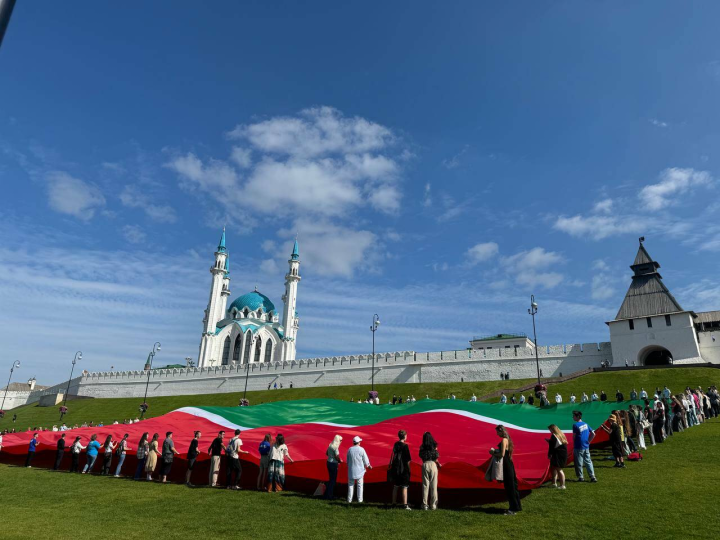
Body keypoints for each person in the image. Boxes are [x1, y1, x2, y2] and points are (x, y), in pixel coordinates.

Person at [491, 425, 521, 515]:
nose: (497, 434)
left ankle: (512, 509)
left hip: (506, 465)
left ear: (501, 432)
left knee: (510, 487)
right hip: (509, 464)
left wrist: (493, 453)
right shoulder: (508, 440)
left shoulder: (504, 440)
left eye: (497, 432)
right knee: (512, 487)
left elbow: (502, 454)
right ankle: (515, 507)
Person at [388, 430, 412, 510]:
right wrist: (409, 469)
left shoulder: (395, 444)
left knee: (395, 486)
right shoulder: (405, 446)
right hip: (403, 468)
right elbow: (408, 459)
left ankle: (393, 503)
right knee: (404, 487)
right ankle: (405, 504)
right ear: (405, 436)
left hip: (395, 468)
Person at [572, 411, 597, 482]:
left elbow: (574, 437)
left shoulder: (575, 425)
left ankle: (581, 477)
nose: (573, 417)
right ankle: (592, 476)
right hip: (586, 445)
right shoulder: (586, 424)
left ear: (577, 417)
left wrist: (574, 442)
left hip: (578, 445)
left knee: (579, 462)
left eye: (573, 416)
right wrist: (588, 441)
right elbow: (593, 433)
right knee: (588, 461)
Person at [419, 431, 441, 510]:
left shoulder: (422, 446)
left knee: (425, 486)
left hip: (425, 464)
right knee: (434, 486)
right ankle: (433, 505)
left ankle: (425, 504)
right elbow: (436, 456)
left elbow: (420, 455)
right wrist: (438, 464)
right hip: (433, 465)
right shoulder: (434, 446)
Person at [346, 435, 372, 503]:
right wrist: (368, 465)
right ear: (358, 442)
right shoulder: (361, 449)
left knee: (350, 485)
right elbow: (365, 459)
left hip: (351, 470)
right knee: (360, 486)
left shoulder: (350, 449)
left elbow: (348, 460)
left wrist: (349, 466)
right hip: (360, 470)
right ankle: (360, 500)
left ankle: (349, 500)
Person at [547, 425, 567, 489]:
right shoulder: (561, 434)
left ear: (552, 429)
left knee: (559, 469)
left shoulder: (553, 436)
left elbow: (551, 447)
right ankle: (554, 483)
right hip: (562, 453)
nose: (549, 431)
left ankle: (562, 485)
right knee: (554, 468)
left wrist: (549, 455)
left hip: (558, 454)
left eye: (550, 429)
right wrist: (550, 441)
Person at [324, 435, 343, 500]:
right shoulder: (335, 447)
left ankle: (327, 494)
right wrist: (340, 461)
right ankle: (330, 495)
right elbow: (337, 456)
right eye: (341, 440)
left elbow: (326, 453)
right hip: (333, 464)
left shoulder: (330, 445)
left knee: (330, 479)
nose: (341, 441)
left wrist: (331, 456)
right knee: (333, 481)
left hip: (328, 462)